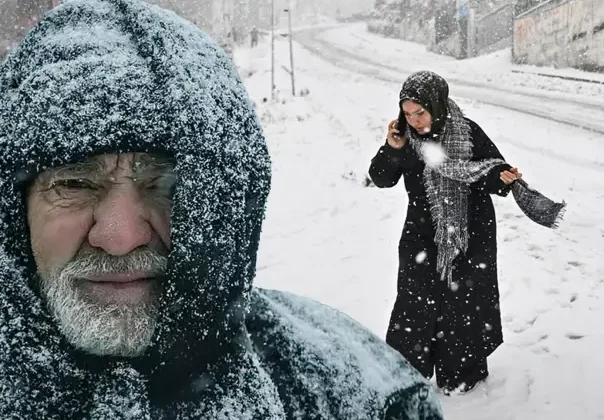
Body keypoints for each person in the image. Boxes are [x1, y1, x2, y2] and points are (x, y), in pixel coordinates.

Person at [0, 1, 444, 418]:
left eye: (170, 183)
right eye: (75, 183)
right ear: (14, 213)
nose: (119, 237)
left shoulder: (363, 397)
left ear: (231, 204)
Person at [369, 71, 565, 395]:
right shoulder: (404, 140)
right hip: (420, 234)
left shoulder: (467, 132)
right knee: (414, 306)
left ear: (436, 105)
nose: (415, 120)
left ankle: (461, 376)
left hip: (469, 235)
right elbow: (380, 177)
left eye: (420, 112)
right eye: (407, 113)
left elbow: (488, 169)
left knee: (463, 306)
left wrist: (502, 179)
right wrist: (391, 148)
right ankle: (405, 373)